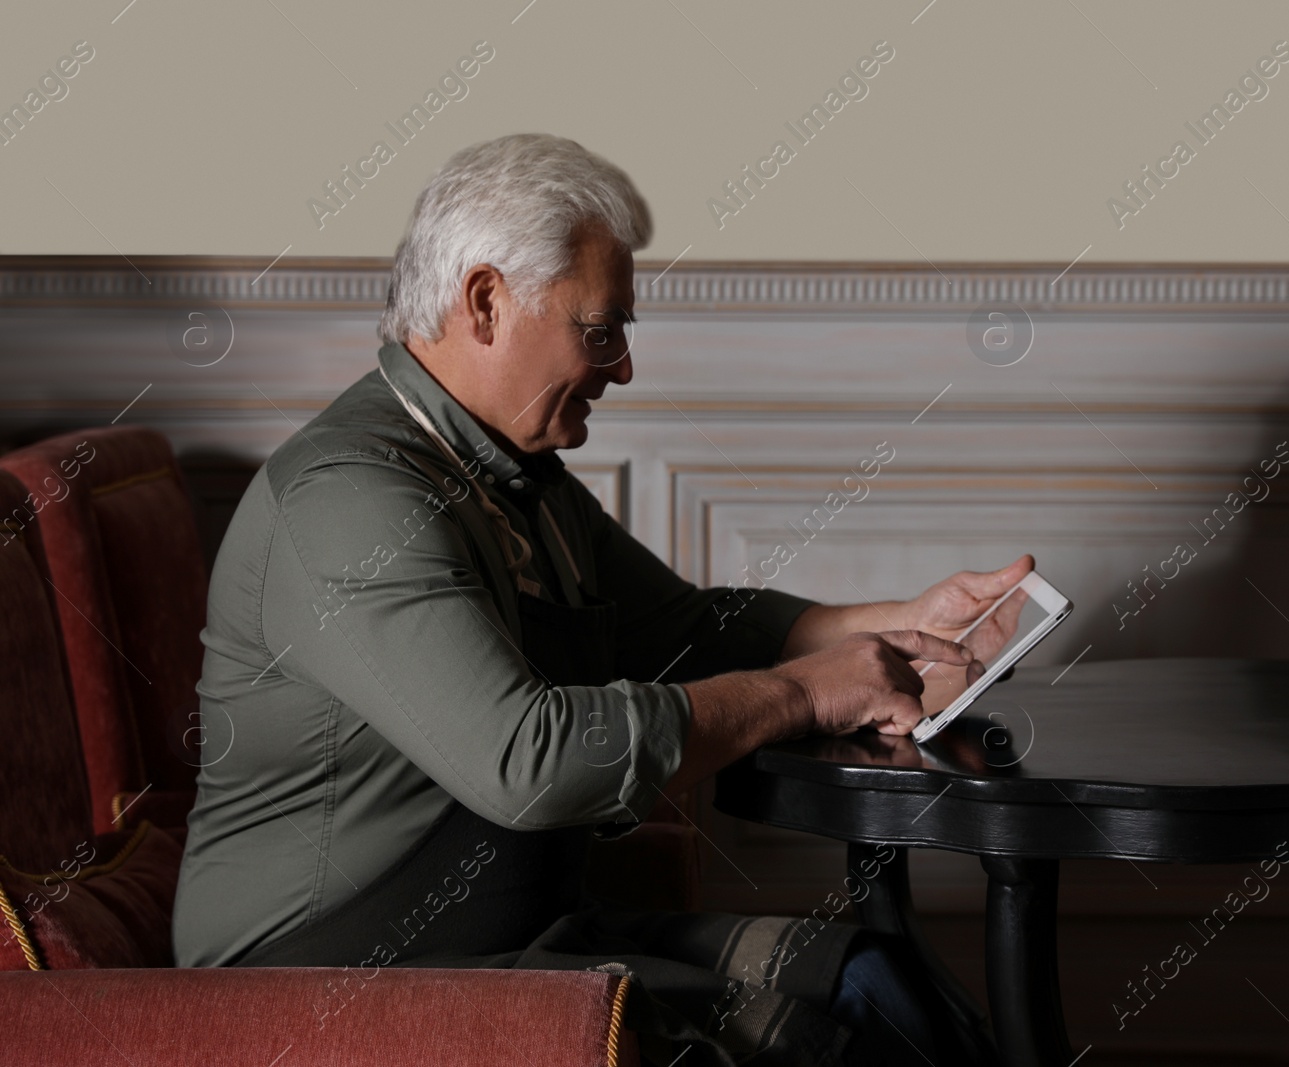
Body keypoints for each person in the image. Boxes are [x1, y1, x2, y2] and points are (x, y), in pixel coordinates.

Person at [172, 132, 1030, 1066]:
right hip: (324, 991)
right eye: (600, 329)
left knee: (874, 977)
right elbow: (530, 760)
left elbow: (681, 629)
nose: (622, 367)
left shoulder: (511, 472)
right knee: (825, 1044)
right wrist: (802, 692)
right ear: (487, 301)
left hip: (513, 945)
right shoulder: (348, 496)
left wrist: (900, 625)